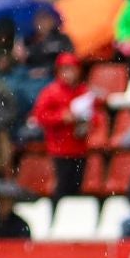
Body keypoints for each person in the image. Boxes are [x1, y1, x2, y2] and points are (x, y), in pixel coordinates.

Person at [30, 54, 95, 199]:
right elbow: (40, 116)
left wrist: (87, 123)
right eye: (65, 69)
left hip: (79, 147)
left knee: (76, 189)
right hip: (59, 148)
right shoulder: (50, 92)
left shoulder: (83, 91)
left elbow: (95, 116)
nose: (69, 73)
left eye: (72, 69)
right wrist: (62, 117)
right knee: (62, 188)